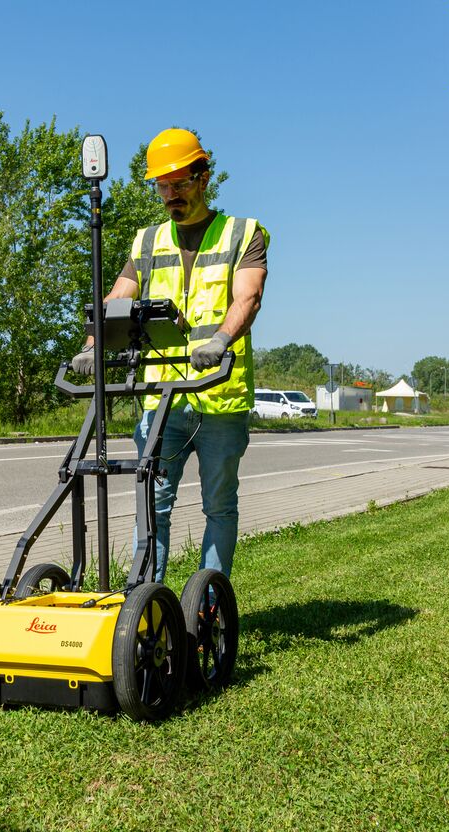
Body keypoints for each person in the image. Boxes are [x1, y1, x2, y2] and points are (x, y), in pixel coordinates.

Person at [71, 128, 268, 582]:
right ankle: (148, 610)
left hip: (219, 395)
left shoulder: (243, 234)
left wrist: (220, 340)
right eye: (163, 185)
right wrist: (91, 346)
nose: (170, 194)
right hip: (162, 398)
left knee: (218, 506)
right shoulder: (147, 242)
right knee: (151, 506)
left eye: (179, 182)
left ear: (203, 177)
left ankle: (208, 607)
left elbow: (248, 297)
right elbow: (116, 302)